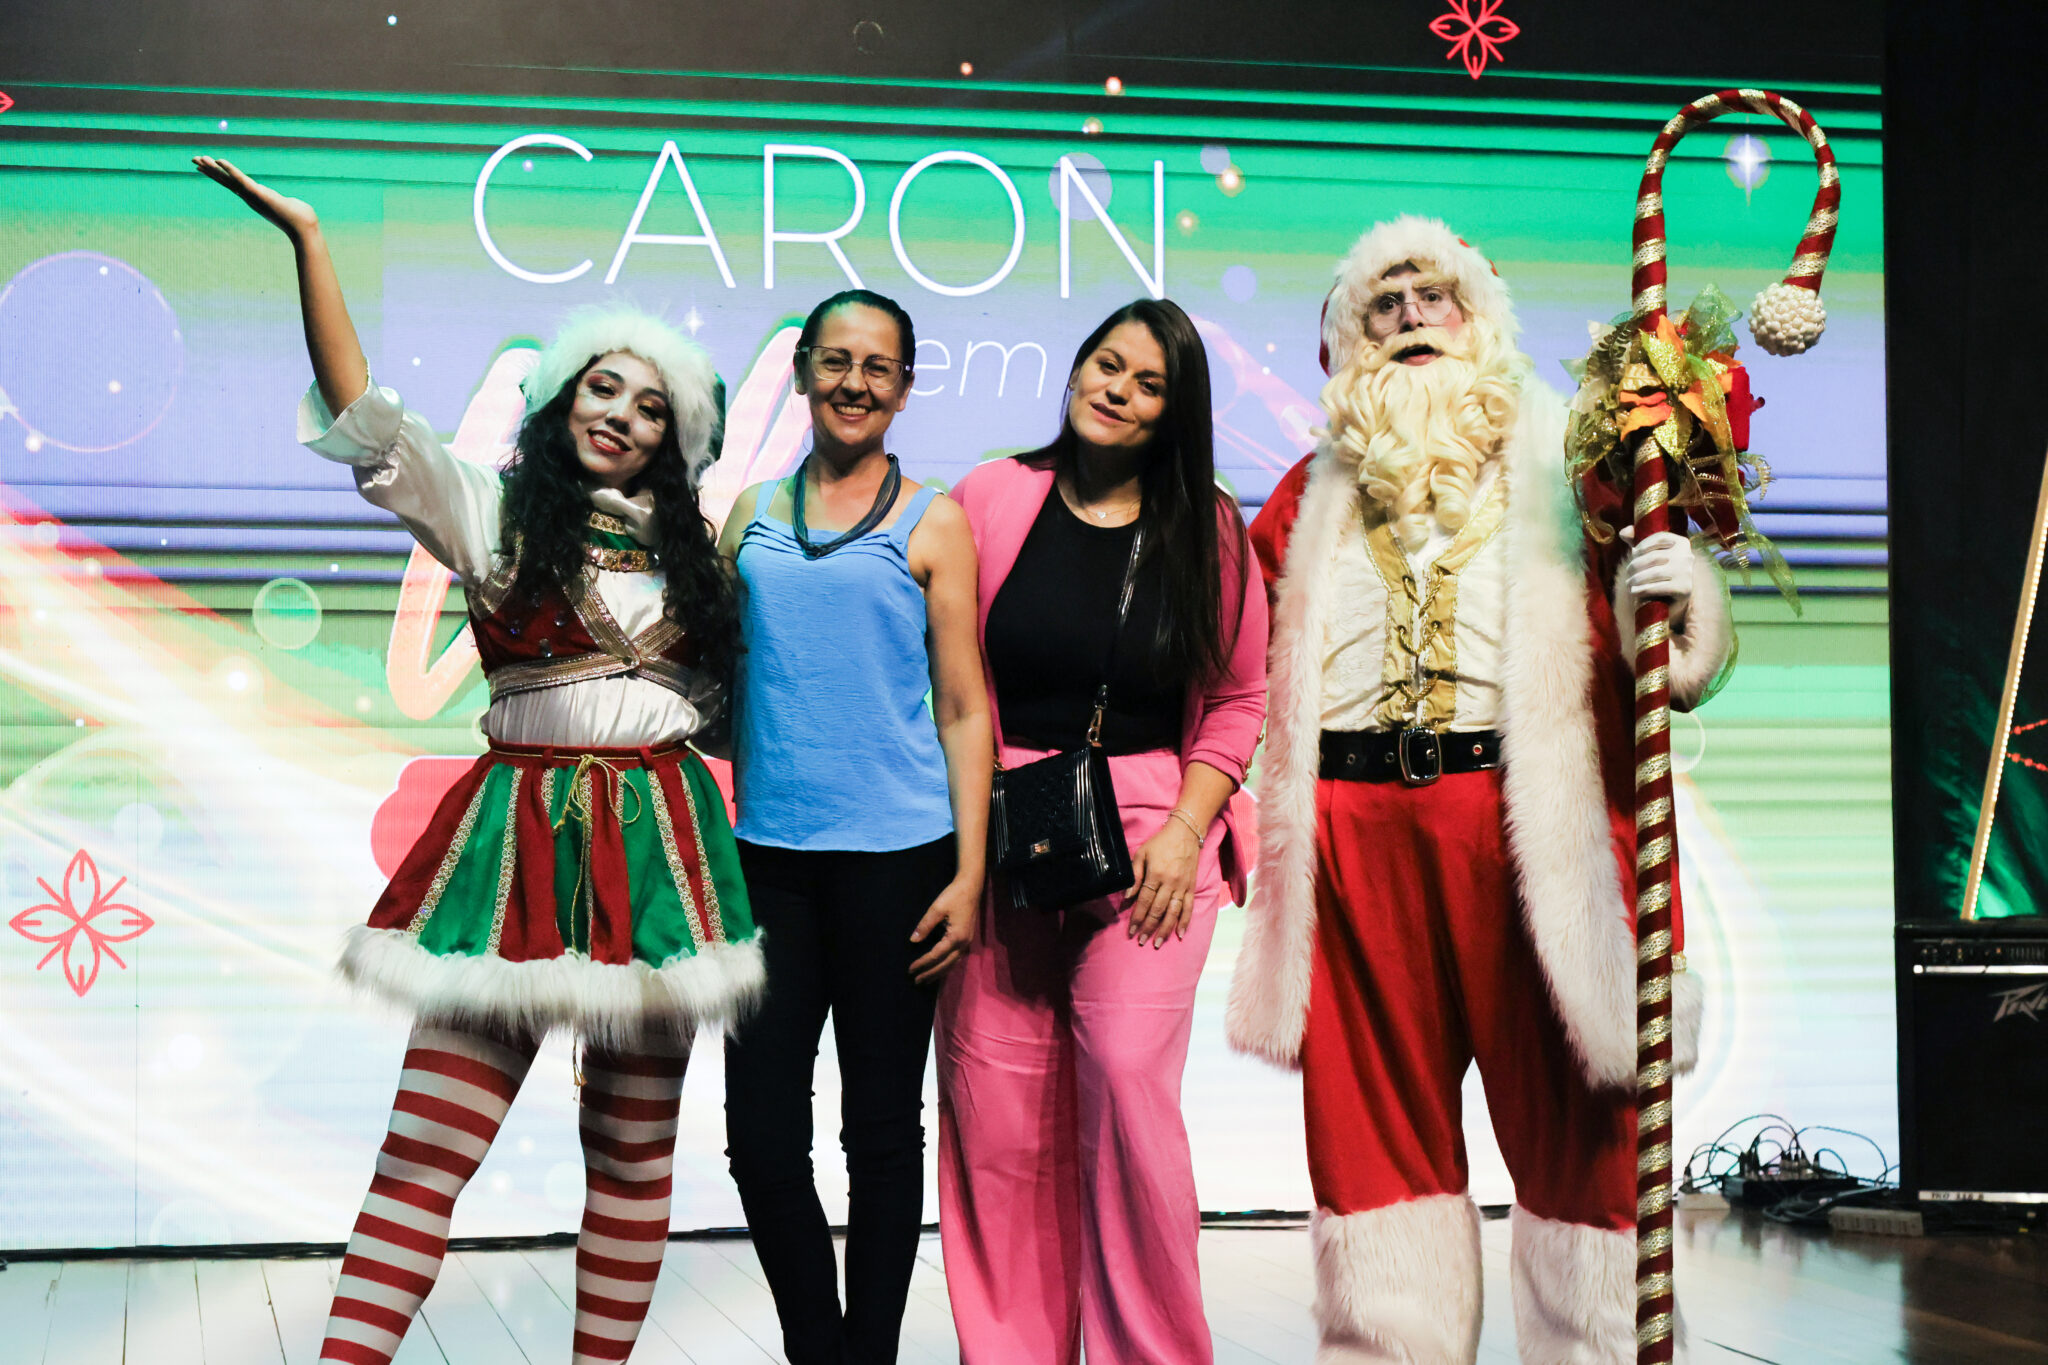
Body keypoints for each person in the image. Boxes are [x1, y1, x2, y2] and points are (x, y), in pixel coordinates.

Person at [193, 155, 763, 1365]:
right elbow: (364, 414)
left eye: (649, 406)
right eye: (600, 388)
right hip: (516, 844)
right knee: (424, 1151)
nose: (619, 414)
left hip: (657, 861)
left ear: (676, 439)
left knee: (633, 1160)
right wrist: (311, 241)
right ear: (559, 403)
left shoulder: (706, 562)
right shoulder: (494, 515)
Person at [1226, 217, 1731, 1363]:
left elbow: (1671, 665)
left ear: (1480, 320)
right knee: (1369, 1131)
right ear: (1347, 343)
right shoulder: (1303, 499)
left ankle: (1596, 1346)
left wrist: (1677, 590)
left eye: (1432, 297)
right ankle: (1386, 1346)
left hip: (1523, 830)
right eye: (1383, 304)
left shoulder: (1570, 475)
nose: (1410, 319)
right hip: (1350, 838)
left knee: (1580, 1126)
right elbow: (1235, 664)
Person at [935, 298, 1269, 1364]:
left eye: (1147, 383)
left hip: (1151, 837)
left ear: (1175, 412)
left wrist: (1187, 828)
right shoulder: (991, 495)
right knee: (995, 1123)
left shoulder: (1207, 526)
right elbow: (943, 674)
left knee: (1127, 1092)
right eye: (1105, 364)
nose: (1116, 390)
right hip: (1002, 829)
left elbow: (1239, 698)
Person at [715, 289, 991, 1365]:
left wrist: (969, 875)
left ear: (906, 388)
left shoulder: (935, 521)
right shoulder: (749, 515)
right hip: (766, 868)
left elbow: (963, 708)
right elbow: (717, 682)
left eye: (878, 366)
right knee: (759, 1138)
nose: (854, 382)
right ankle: (818, 1351)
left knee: (880, 1134)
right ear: (800, 371)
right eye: (835, 360)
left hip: (900, 868)